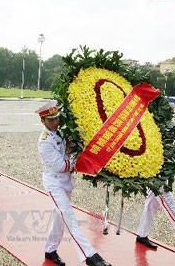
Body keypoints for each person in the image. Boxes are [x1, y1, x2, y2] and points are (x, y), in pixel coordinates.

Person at [36, 100, 111, 266]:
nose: (55, 122)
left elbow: (72, 151)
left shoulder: (60, 132)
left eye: (56, 118)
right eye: (50, 120)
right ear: (42, 121)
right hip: (54, 183)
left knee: (59, 218)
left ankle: (50, 250)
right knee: (69, 217)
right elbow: (62, 166)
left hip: (66, 182)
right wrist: (73, 155)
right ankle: (89, 256)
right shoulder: (44, 141)